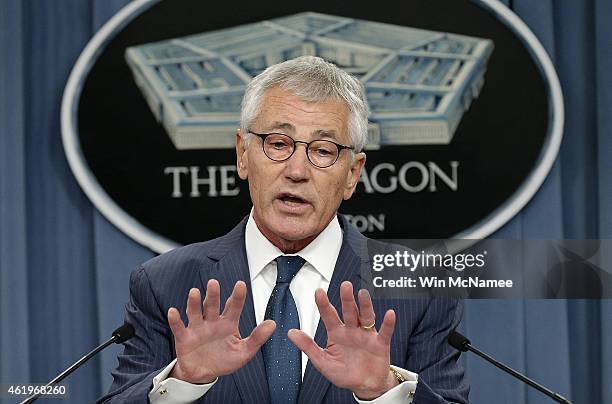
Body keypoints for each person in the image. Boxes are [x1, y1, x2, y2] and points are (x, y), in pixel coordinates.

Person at [98, 56, 468, 404]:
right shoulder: (165, 284)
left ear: (353, 174)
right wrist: (182, 382)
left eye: (323, 151)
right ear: (243, 153)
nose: (297, 170)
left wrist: (384, 391)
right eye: (278, 143)